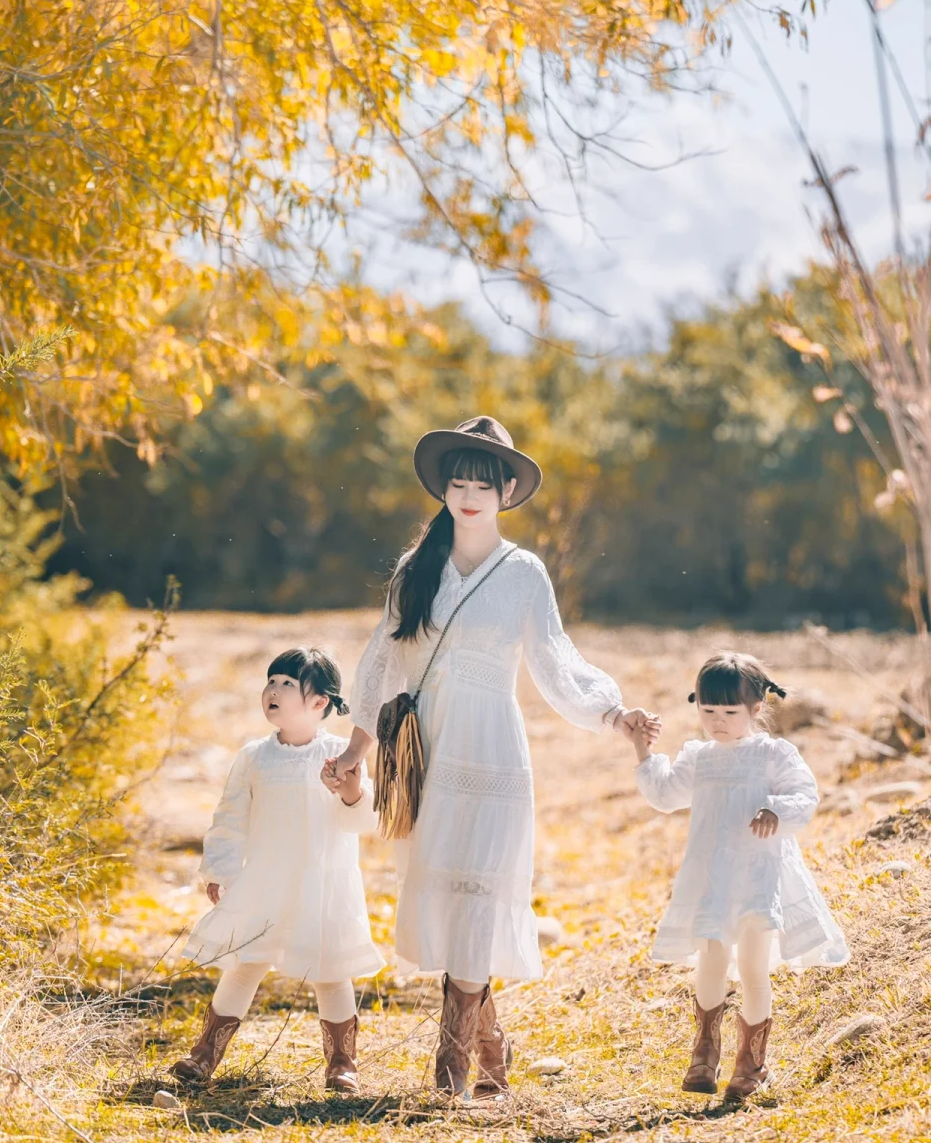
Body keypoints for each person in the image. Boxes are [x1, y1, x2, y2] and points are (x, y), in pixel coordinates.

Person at [323, 416, 660, 1099]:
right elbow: (382, 661)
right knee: (448, 894)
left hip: (494, 751)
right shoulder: (415, 572)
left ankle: (450, 1065)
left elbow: (556, 659)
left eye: (484, 482)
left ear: (507, 491)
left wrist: (612, 711)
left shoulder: (523, 574)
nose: (470, 494)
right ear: (443, 490)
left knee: (479, 891)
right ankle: (495, 1059)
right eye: (458, 481)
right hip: (423, 753)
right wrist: (358, 748)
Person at [632, 651, 849, 1103]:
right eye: (707, 711)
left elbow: (805, 795)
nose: (717, 721)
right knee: (711, 960)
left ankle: (750, 1063)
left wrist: (776, 809)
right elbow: (666, 794)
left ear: (756, 708)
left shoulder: (772, 752)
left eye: (729, 712)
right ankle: (704, 1053)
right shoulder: (700, 757)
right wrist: (643, 750)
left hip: (758, 875)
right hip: (713, 877)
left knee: (752, 965)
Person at [171, 647, 384, 1093]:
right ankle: (205, 1053)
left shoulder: (339, 754)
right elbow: (230, 816)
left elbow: (361, 819)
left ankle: (342, 1062)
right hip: (266, 880)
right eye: (271, 681)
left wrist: (348, 791)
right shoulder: (254, 757)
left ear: (319, 702)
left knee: (330, 970)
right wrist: (221, 869)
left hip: (321, 882)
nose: (273, 690)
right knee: (245, 963)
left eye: (288, 684)